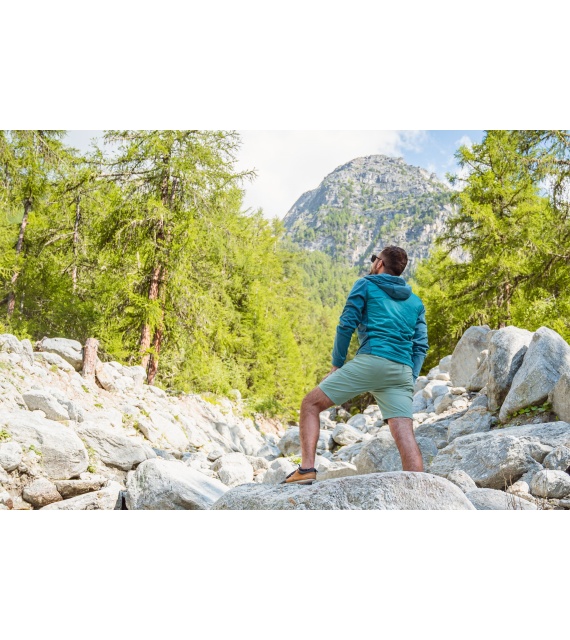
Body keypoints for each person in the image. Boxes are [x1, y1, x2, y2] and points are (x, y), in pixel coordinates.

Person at [282, 245, 429, 485]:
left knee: (310, 404)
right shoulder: (416, 302)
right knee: (404, 433)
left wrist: (336, 365)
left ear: (379, 263)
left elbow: (346, 324)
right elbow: (420, 346)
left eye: (374, 259)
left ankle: (307, 469)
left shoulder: (365, 285)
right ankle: (418, 488)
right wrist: (409, 378)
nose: (372, 262)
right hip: (402, 370)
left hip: (372, 360)